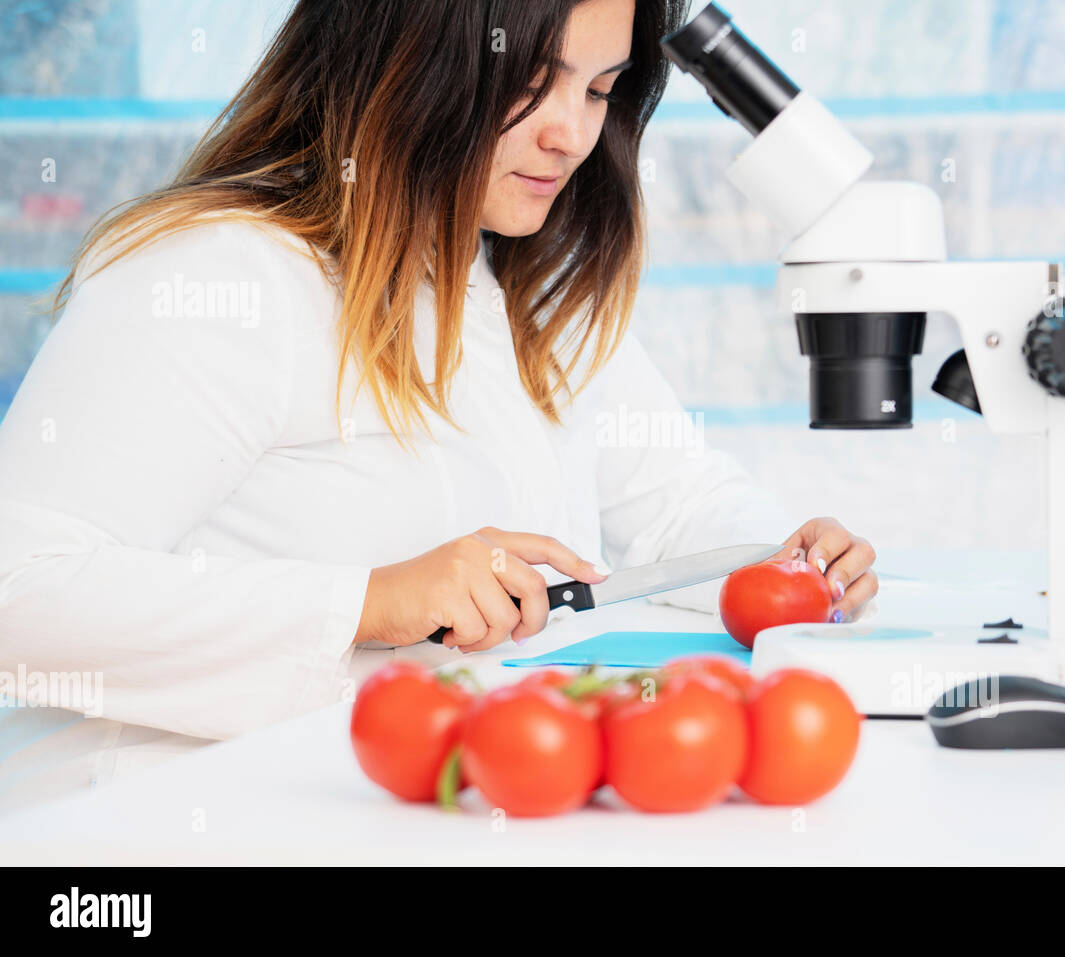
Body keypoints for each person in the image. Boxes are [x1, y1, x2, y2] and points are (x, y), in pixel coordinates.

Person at [0, 0, 876, 808]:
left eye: (600, 90)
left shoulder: (526, 286)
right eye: (532, 85)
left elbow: (679, 504)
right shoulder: (216, 277)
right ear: (403, 59)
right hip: (168, 817)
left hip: (419, 811)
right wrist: (371, 601)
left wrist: (796, 556)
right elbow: (18, 590)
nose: (570, 134)